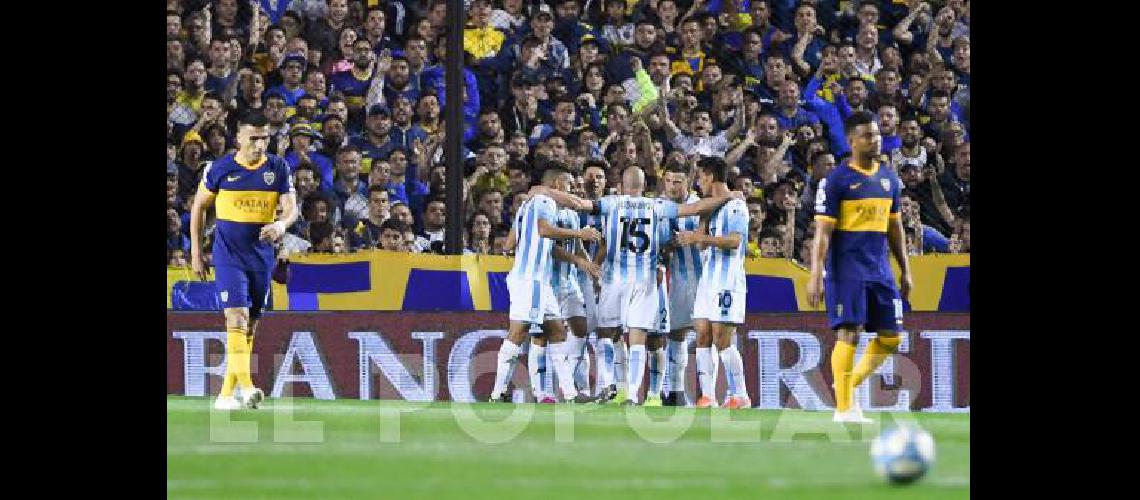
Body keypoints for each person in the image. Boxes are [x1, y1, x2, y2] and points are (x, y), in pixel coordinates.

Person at [531, 166, 738, 405]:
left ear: (621, 185)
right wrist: (728, 197)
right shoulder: (656, 206)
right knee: (638, 338)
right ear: (644, 187)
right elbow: (694, 208)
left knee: (607, 334)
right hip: (645, 280)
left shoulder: (611, 203)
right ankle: (631, 394)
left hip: (614, 278)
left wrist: (543, 190)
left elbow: (578, 203)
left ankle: (610, 386)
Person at [806, 111, 913, 424]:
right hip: (846, 268)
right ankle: (844, 409)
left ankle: (846, 387)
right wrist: (816, 273)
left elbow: (896, 229)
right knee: (848, 335)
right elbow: (822, 233)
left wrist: (905, 270)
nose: (875, 140)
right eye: (867, 135)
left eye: (877, 134)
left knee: (891, 338)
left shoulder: (889, 178)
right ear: (852, 141)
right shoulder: (836, 181)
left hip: (880, 269)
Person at [189, 110, 299, 411]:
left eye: (264, 138)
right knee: (235, 316)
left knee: (249, 324)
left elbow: (291, 209)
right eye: (253, 138)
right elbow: (198, 208)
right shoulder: (219, 169)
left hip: (261, 256)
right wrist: (197, 253)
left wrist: (280, 225)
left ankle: (226, 395)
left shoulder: (277, 168)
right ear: (237, 138)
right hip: (228, 255)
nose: (260, 145)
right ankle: (248, 388)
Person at [488, 167, 602, 404]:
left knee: (557, 331)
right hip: (530, 279)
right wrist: (578, 233)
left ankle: (570, 395)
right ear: (558, 184)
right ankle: (497, 393)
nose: (571, 189)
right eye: (569, 184)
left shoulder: (526, 206)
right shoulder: (544, 201)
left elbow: (508, 244)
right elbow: (544, 230)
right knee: (518, 334)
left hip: (537, 281)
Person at [673, 157, 752, 409]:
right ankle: (708, 396)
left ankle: (740, 395)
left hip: (728, 279)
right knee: (703, 334)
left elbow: (734, 242)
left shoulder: (737, 206)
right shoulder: (714, 206)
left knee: (722, 338)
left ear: (709, 176)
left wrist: (700, 238)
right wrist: (699, 232)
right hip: (708, 279)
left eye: (700, 177)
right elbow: (701, 237)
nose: (698, 183)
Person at [657, 161, 703, 407]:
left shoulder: (699, 207)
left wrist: (692, 239)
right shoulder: (661, 208)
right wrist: (667, 245)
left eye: (678, 181)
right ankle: (675, 392)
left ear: (689, 181)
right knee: (676, 335)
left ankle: (709, 393)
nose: (673, 187)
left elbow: (708, 241)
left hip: (703, 279)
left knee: (707, 334)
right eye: (669, 181)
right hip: (677, 280)